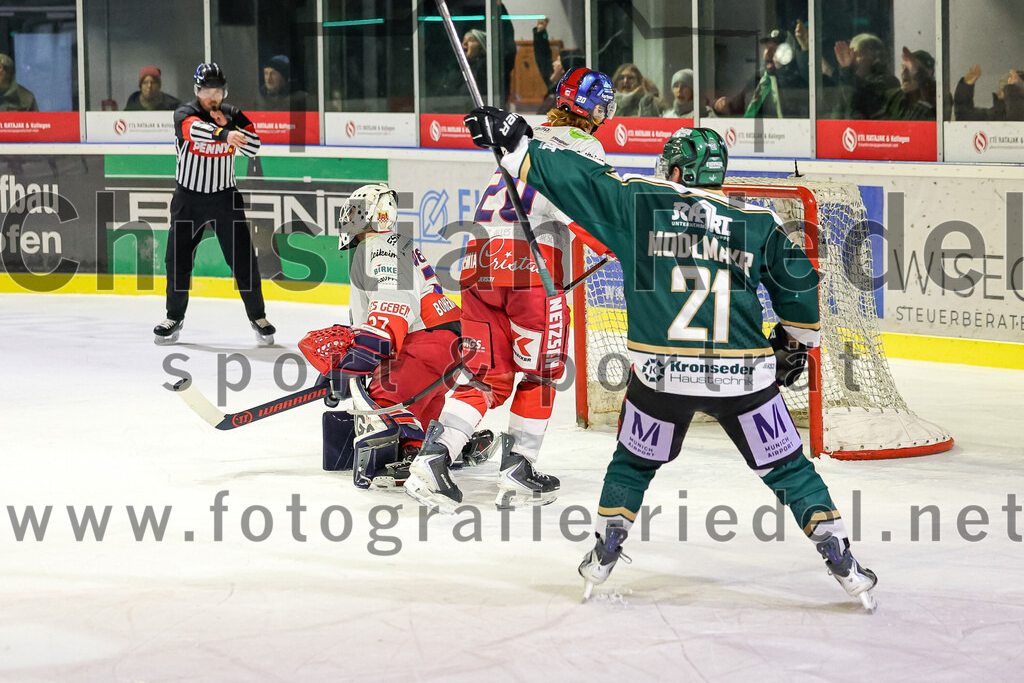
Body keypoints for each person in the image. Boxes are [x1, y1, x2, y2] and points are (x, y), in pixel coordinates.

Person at [464, 113, 879, 611]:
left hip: (662, 376)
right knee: (788, 467)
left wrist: (518, 144)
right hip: (743, 377)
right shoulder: (757, 222)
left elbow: (583, 182)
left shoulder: (644, 203)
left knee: (633, 463)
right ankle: (840, 558)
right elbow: (802, 288)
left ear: (676, 172)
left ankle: (604, 550)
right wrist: (793, 343)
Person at [405, 67, 617, 513]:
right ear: (591, 108)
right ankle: (519, 467)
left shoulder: (523, 138)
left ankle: (433, 459)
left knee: (484, 375)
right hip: (531, 273)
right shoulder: (586, 147)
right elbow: (584, 206)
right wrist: (613, 243)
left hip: (478, 262)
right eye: (602, 104)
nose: (605, 113)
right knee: (539, 373)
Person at [304, 183, 494, 489]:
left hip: (426, 345)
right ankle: (446, 442)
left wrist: (356, 362)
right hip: (446, 348)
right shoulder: (395, 245)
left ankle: (413, 453)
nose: (350, 218)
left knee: (382, 401)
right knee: (417, 407)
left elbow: (393, 307)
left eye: (356, 212)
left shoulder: (380, 248)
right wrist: (344, 369)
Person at [153, 63, 276, 346]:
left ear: (224, 91)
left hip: (224, 198)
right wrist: (224, 134)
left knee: (243, 259)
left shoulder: (233, 114)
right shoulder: (184, 113)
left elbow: (255, 145)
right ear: (197, 91)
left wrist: (229, 127)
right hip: (188, 199)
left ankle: (258, 316)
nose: (213, 96)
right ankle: (174, 317)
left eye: (217, 90)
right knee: (177, 260)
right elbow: (192, 131)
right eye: (207, 90)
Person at [744, 26, 810, 119]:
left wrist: (781, 72)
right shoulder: (759, 77)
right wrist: (720, 106)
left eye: (775, 49)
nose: (768, 53)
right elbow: (741, 101)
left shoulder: (797, 78)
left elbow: (796, 109)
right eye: (767, 47)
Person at [829, 32, 899, 120]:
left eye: (858, 55)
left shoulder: (889, 81)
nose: (852, 61)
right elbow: (838, 112)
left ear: (876, 57)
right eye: (851, 55)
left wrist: (847, 71)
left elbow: (862, 101)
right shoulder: (848, 82)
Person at [874, 47, 936, 120]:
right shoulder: (894, 97)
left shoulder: (938, 97)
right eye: (903, 68)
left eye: (910, 69)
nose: (903, 73)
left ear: (929, 72)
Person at [953, 64, 1024, 121]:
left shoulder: (1017, 112)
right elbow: (963, 118)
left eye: (1010, 84)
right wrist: (966, 85)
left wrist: (1013, 91)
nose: (1004, 88)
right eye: (1003, 84)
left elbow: (1015, 124)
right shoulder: (992, 115)